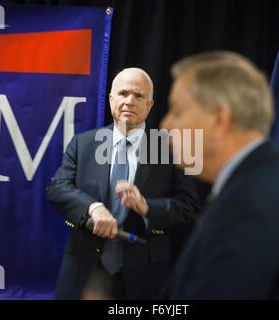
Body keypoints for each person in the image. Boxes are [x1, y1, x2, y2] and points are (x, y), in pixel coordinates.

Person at [159, 51, 279, 299]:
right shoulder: (270, 180)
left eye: (176, 111)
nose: (165, 126)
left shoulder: (249, 205)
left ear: (219, 119)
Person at [46, 67, 199, 299]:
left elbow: (189, 206)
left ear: (150, 104)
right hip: (86, 269)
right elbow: (57, 188)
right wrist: (93, 208)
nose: (129, 101)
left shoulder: (172, 149)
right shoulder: (83, 144)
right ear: (110, 99)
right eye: (123, 93)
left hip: (145, 274)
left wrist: (147, 207)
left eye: (138, 96)